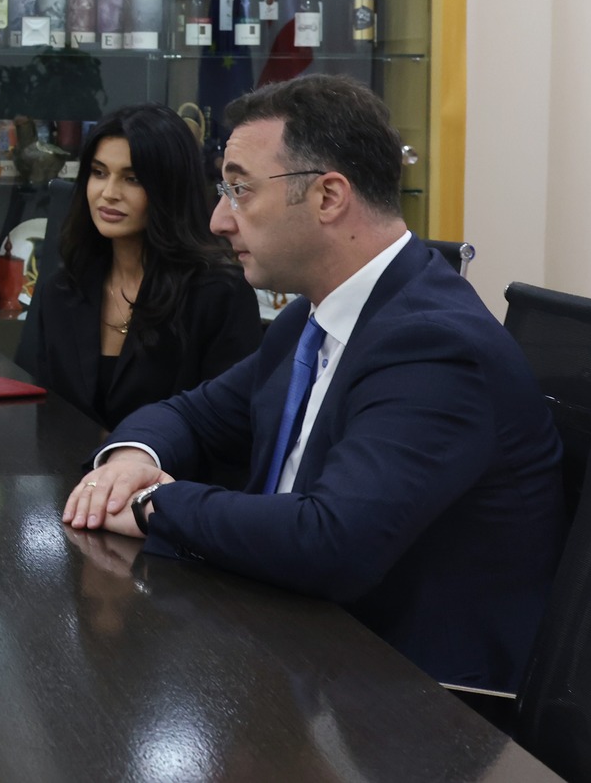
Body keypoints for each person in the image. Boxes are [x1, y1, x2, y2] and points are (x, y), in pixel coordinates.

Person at [62, 76, 562, 693]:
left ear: (328, 196)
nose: (218, 219)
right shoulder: (312, 317)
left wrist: (154, 505)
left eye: (240, 190)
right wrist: (130, 460)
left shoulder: (434, 346)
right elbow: (192, 415)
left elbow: (331, 542)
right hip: (291, 637)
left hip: (407, 696)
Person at [17, 104, 260, 429]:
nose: (108, 193)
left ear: (168, 187)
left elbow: (230, 431)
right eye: (99, 173)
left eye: (131, 179)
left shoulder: (219, 295)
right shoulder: (62, 290)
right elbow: (47, 420)